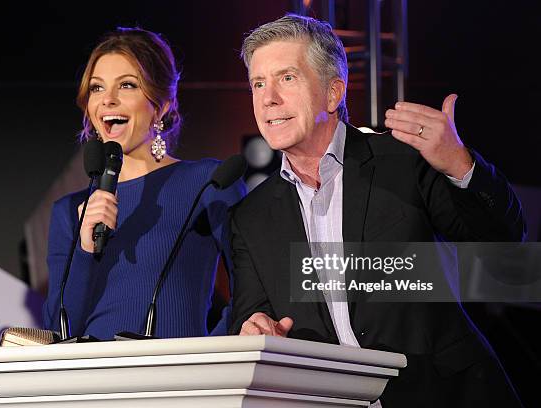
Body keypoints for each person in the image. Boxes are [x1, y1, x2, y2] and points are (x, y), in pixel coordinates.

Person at [228, 14, 525, 408]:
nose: (268, 98)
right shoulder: (250, 215)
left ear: (333, 93)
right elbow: (250, 317)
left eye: (287, 78)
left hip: (443, 394)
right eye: (258, 83)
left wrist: (459, 165)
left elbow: (503, 248)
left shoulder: (404, 161)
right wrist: (255, 329)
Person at [42, 27, 245, 340]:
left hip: (177, 380)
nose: (108, 100)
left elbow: (251, 288)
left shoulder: (205, 183)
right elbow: (57, 328)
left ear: (161, 105)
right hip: (93, 382)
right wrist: (84, 249)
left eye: (126, 85)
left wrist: (211, 354)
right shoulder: (70, 211)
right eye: (97, 88)